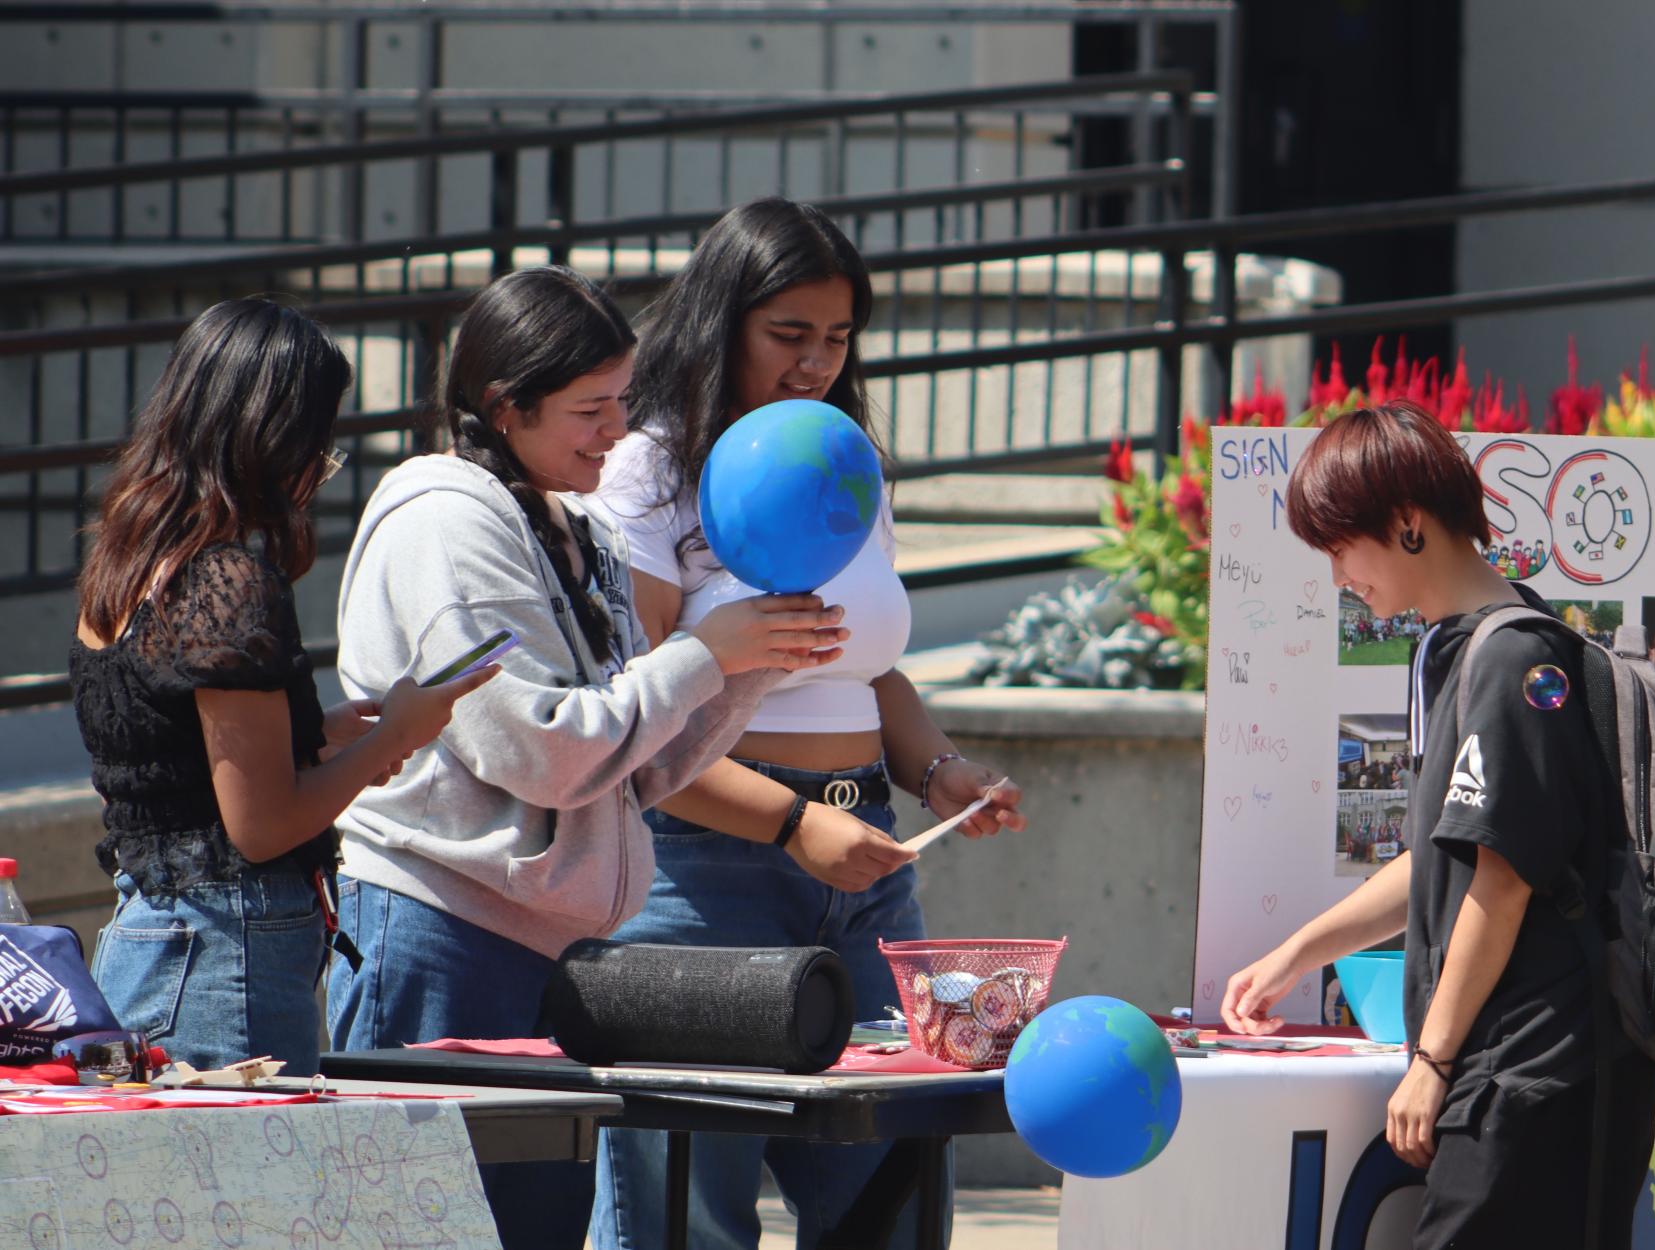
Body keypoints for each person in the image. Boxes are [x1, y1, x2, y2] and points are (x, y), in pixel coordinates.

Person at [326, 265, 844, 1246]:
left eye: (624, 401)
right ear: (504, 406)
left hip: (547, 946)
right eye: (590, 408)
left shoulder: (577, 526)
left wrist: (752, 665)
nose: (616, 431)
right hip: (442, 927)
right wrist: (707, 652)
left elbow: (635, 767)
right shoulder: (446, 516)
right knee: (434, 1227)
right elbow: (543, 752)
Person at [589, 197, 1026, 1250]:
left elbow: (873, 669)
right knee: (685, 1211)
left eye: (838, 338)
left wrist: (943, 771)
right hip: (701, 876)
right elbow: (629, 719)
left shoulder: (846, 461)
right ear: (722, 320)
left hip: (872, 866)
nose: (816, 362)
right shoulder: (649, 466)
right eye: (789, 334)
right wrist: (789, 824)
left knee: (892, 1194)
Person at [1221, 400, 1655, 1248]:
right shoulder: (1474, 649)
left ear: (1407, 525)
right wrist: (1296, 953)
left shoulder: (1511, 660)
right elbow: (1440, 860)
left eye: (1342, 546)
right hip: (1515, 1071)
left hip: (1536, 1072)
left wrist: (1431, 1062)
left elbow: (1503, 881)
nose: (1340, 574)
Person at [71, 298, 491, 1077]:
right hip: (223, 951)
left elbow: (170, 761)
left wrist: (317, 733)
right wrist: (401, 731)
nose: (318, 467)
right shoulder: (225, 578)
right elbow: (261, 829)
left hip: (152, 938)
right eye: (318, 441)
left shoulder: (130, 559)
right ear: (273, 438)